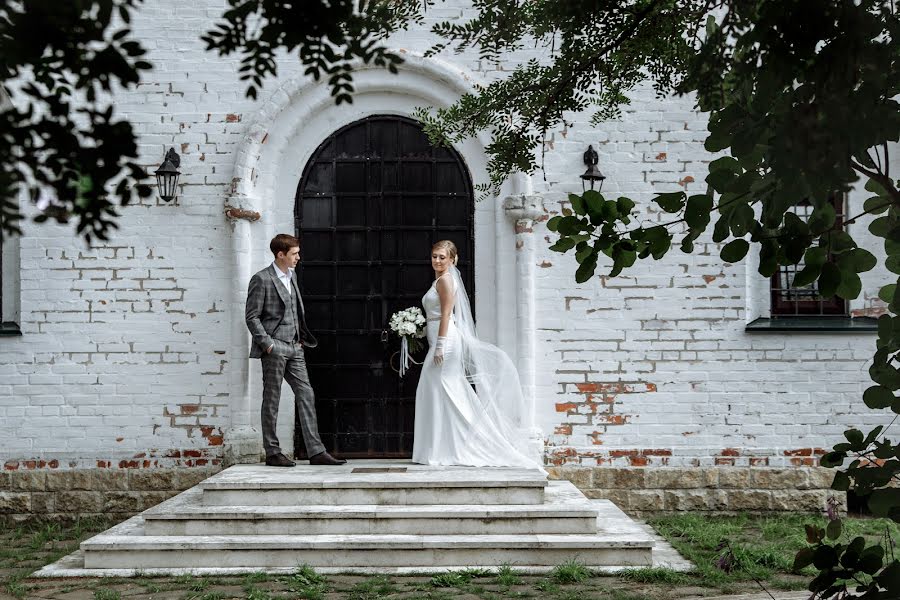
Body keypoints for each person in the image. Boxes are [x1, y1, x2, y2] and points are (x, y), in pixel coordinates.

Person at [412, 240, 543, 470]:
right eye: (434, 256)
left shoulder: (445, 280)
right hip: (439, 337)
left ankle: (460, 445)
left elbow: (445, 315)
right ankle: (443, 447)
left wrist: (441, 344)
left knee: (438, 388)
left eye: (442, 257)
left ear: (452, 259)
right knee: (442, 391)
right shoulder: (439, 280)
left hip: (446, 342)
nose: (437, 260)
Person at [245, 234, 346, 467]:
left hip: (295, 346)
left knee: (306, 394)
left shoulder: (292, 275)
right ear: (280, 254)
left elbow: (294, 310)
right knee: (272, 398)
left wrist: (299, 340)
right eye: (294, 254)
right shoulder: (262, 279)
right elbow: (252, 317)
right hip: (275, 347)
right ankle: (272, 452)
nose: (298, 258)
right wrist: (268, 344)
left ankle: (316, 451)